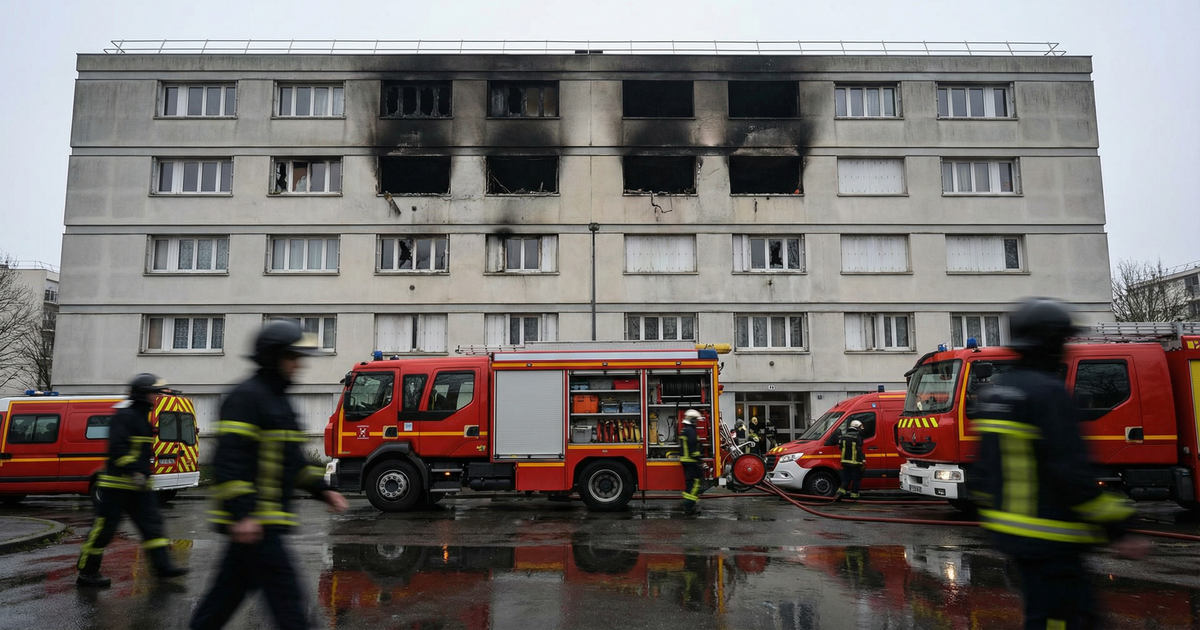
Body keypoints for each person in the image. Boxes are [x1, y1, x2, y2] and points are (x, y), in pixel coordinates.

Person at [973, 297, 1150, 629]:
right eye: (1065, 339)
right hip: (1052, 536)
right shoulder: (1048, 393)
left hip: (1012, 536)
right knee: (1068, 620)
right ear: (1052, 341)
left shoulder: (996, 393)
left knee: (1043, 615)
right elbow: (1071, 473)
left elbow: (984, 470)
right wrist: (1120, 527)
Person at [190, 320, 350, 630]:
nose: (298, 365)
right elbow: (230, 460)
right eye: (293, 357)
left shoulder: (279, 402)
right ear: (273, 357)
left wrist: (323, 490)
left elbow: (295, 463)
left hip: (262, 526)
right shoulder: (245, 398)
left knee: (221, 602)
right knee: (289, 606)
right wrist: (243, 514)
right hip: (255, 523)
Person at [76, 373, 188, 587]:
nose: (157, 396)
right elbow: (118, 449)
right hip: (116, 487)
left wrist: (143, 475)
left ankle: (163, 569)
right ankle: (87, 573)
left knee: (153, 527)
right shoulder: (125, 417)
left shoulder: (142, 418)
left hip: (139, 487)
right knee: (103, 531)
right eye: (154, 392)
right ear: (142, 394)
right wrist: (135, 471)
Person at [679, 409, 703, 515]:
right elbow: (693, 447)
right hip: (691, 461)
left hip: (685, 461)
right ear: (692, 420)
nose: (697, 422)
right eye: (696, 420)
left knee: (689, 484)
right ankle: (689, 505)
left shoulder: (684, 430)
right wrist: (699, 460)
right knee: (696, 484)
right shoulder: (691, 431)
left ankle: (688, 506)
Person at [835, 419, 865, 501]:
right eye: (859, 427)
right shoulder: (858, 437)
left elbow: (840, 448)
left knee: (846, 479)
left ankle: (839, 494)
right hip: (856, 463)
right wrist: (863, 461)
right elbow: (859, 449)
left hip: (845, 462)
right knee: (856, 479)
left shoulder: (843, 436)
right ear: (856, 427)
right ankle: (854, 495)